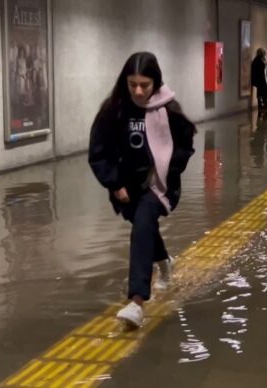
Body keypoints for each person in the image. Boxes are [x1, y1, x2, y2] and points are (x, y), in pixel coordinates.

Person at [88, 51, 196, 329]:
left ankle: (136, 302)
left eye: (144, 85)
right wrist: (114, 183)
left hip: (160, 185)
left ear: (155, 83)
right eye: (132, 84)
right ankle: (164, 262)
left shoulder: (168, 110)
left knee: (143, 224)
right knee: (143, 225)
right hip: (126, 186)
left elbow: (185, 145)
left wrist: (165, 173)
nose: (138, 90)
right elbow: (99, 152)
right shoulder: (113, 111)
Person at [251, 48, 267, 114]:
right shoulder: (258, 60)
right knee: (264, 90)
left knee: (261, 90)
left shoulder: (257, 59)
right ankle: (264, 103)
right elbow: (261, 68)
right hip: (260, 77)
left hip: (259, 77)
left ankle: (261, 104)